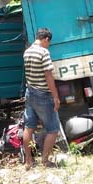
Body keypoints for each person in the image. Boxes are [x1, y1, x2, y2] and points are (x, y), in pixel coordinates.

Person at [23, 28, 61, 169]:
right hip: (43, 95)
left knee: (29, 127)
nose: (48, 45)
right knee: (53, 129)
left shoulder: (27, 52)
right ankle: (45, 161)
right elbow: (48, 76)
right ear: (46, 39)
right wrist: (56, 97)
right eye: (48, 43)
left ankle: (28, 161)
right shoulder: (44, 52)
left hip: (30, 93)